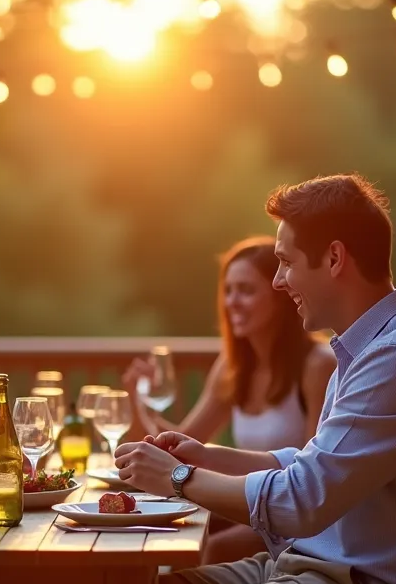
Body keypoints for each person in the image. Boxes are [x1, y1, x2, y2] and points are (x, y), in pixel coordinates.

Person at [102, 174, 396, 584]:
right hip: (306, 569)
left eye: (285, 263)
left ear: (333, 258)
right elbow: (308, 463)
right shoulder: (368, 349)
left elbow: (301, 501)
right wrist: (209, 455)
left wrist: (181, 476)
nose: (280, 281)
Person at [121, 236, 335, 565]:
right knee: (167, 530)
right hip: (245, 504)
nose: (232, 301)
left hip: (291, 516)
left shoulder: (317, 365)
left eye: (246, 290)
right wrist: (138, 400)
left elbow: (311, 476)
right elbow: (183, 441)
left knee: (209, 546)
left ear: (280, 298)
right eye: (229, 290)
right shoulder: (233, 367)